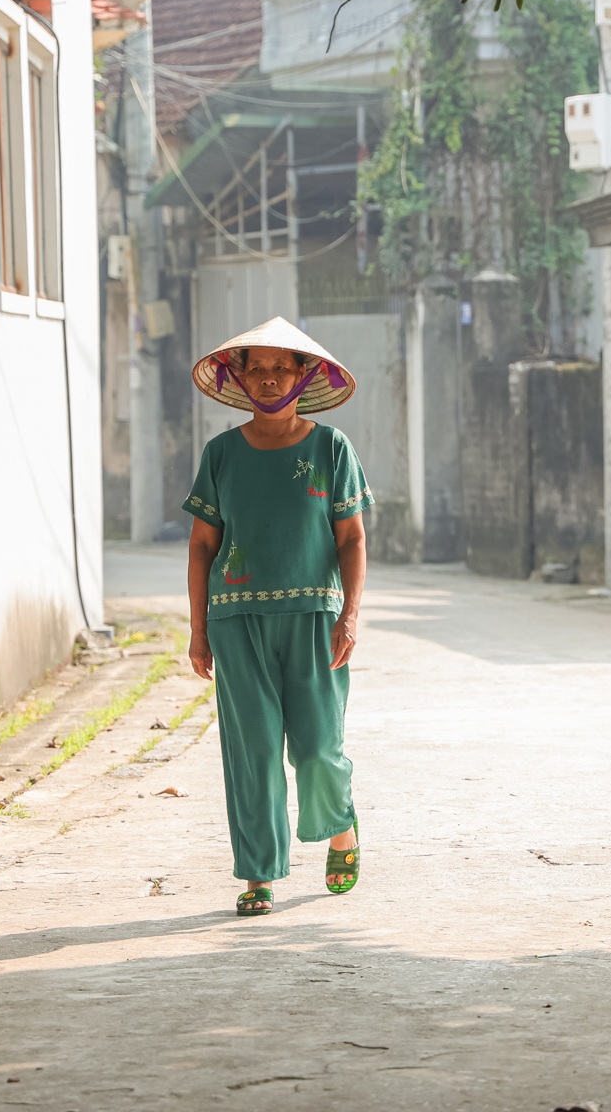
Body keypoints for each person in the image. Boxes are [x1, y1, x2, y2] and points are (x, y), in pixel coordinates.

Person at [184, 317, 373, 917]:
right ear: (239, 378)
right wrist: (197, 630)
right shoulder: (221, 454)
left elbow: (352, 539)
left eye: (280, 368)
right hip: (236, 624)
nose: (268, 380)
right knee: (255, 753)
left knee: (318, 748)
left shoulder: (331, 448)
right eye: (256, 368)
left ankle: (339, 824)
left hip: (317, 618)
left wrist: (349, 615)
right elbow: (200, 548)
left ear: (303, 375)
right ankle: (258, 873)